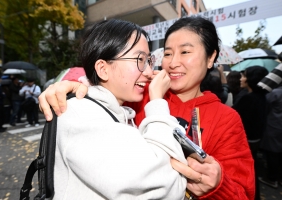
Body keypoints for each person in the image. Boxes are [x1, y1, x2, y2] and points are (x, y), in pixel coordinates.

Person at [39, 16, 255, 199]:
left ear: (211, 58)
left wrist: (218, 185)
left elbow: (244, 192)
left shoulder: (226, 118)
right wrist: (77, 86)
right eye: (168, 53)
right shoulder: (141, 95)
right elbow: (107, 91)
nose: (172, 62)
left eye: (185, 52)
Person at [54, 19, 189, 199]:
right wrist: (157, 102)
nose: (149, 72)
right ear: (103, 69)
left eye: (149, 60)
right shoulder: (82, 116)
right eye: (140, 60)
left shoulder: (111, 112)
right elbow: (165, 188)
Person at [232, 66, 268, 200]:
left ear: (251, 79)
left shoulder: (249, 99)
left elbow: (236, 118)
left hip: (246, 140)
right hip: (256, 139)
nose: (241, 79)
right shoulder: (262, 96)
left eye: (244, 76)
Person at [258, 82, 282, 188]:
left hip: (274, 126)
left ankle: (272, 179)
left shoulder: (276, 92)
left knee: (273, 153)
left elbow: (264, 104)